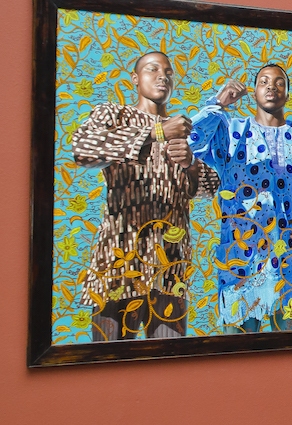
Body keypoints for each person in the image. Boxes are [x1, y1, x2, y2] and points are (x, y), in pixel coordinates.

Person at [71, 51, 220, 341]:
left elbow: (210, 185)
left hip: (170, 266)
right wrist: (156, 132)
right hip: (121, 257)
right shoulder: (115, 115)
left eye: (168, 72)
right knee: (108, 361)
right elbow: (83, 149)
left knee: (168, 363)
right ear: (135, 79)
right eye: (152, 70)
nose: (162, 76)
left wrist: (190, 164)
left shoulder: (182, 129)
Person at [190, 64, 292, 333]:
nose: (271, 87)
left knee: (288, 351)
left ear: (287, 95)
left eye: (278, 83)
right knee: (237, 351)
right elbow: (191, 141)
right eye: (263, 81)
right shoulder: (232, 131)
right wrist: (219, 103)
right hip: (241, 255)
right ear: (253, 92)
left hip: (288, 257)